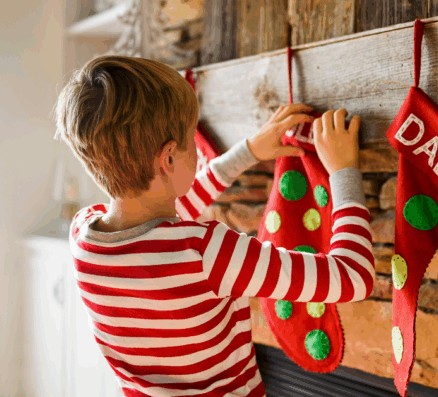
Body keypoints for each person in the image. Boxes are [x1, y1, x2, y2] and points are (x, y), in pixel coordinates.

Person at [50, 55, 374, 397]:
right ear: (169, 158)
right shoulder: (206, 253)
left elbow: (167, 222)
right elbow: (353, 276)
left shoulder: (83, 238)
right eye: (192, 137)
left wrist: (249, 150)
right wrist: (343, 170)